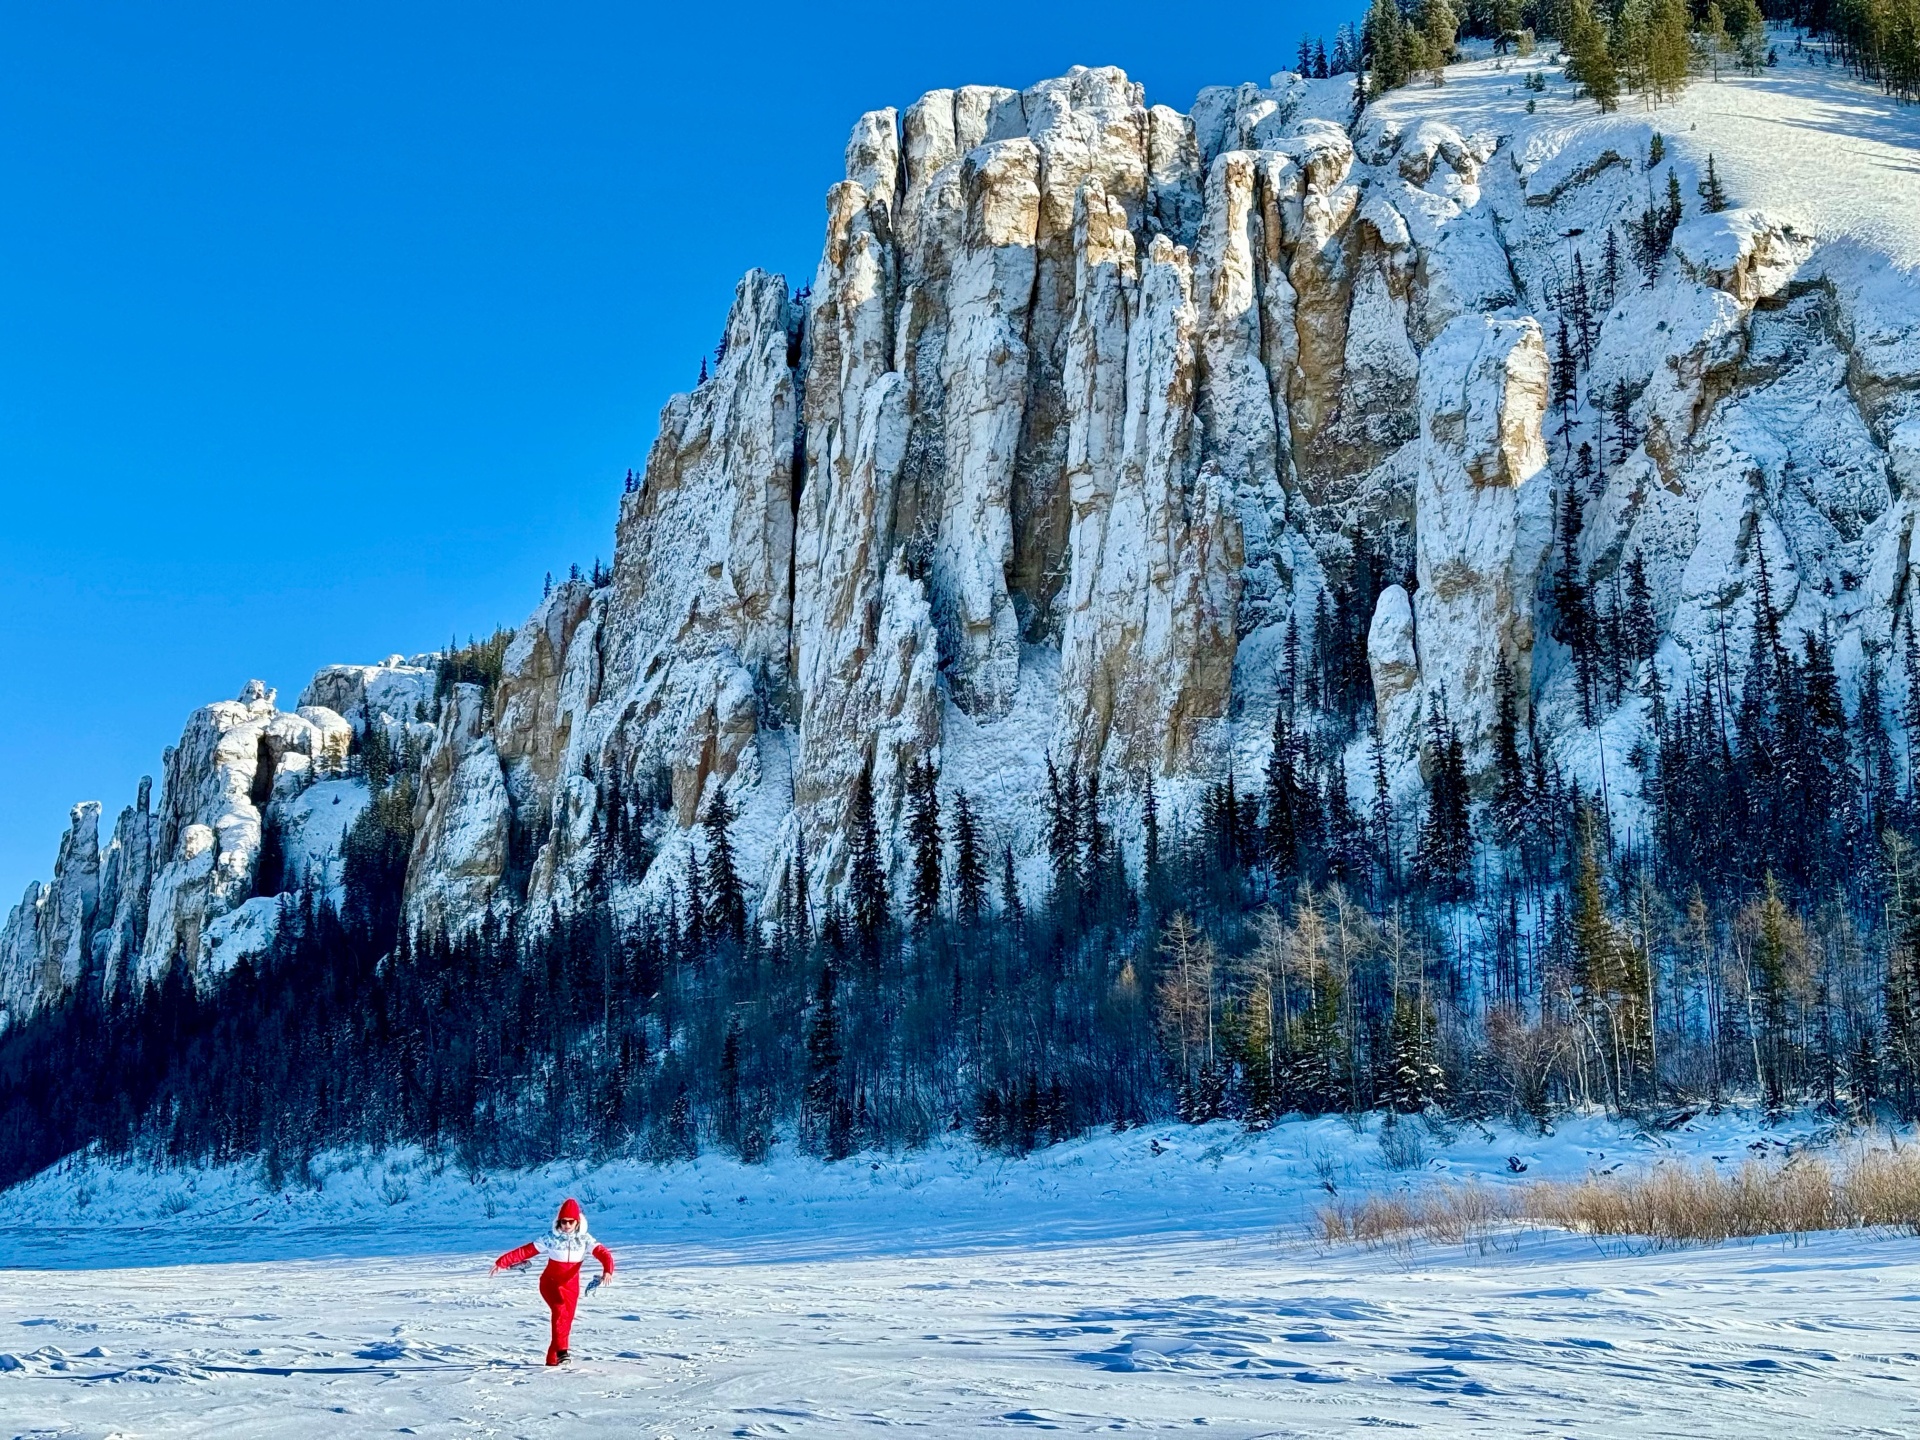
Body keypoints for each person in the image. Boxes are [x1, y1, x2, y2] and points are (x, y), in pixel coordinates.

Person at [492, 1197, 615, 1365]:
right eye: (563, 1221)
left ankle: (552, 1362)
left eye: (570, 1222)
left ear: (577, 1222)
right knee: (559, 1311)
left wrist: (608, 1270)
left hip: (571, 1287)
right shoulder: (550, 1238)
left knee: (565, 1321)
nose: (566, 1225)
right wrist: (502, 1262)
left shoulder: (585, 1240)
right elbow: (525, 1251)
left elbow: (603, 1253)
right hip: (550, 1283)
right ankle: (563, 1351)